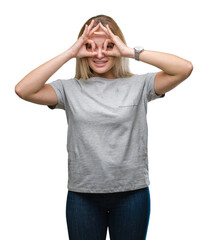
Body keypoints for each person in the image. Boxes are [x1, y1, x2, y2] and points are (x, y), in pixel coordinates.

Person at [15, 14, 193, 240]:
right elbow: (23, 90)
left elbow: (184, 68)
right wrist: (70, 53)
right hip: (83, 195)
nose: (99, 54)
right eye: (90, 47)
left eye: (109, 46)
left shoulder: (140, 85)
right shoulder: (68, 89)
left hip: (132, 194)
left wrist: (131, 52)